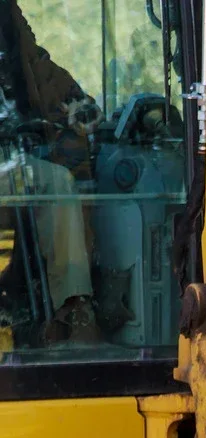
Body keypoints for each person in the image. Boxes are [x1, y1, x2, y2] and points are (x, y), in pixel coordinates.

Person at [0, 0, 100, 345]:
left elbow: (76, 100)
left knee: (57, 181)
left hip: (16, 169)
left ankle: (73, 305)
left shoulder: (25, 60)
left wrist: (81, 110)